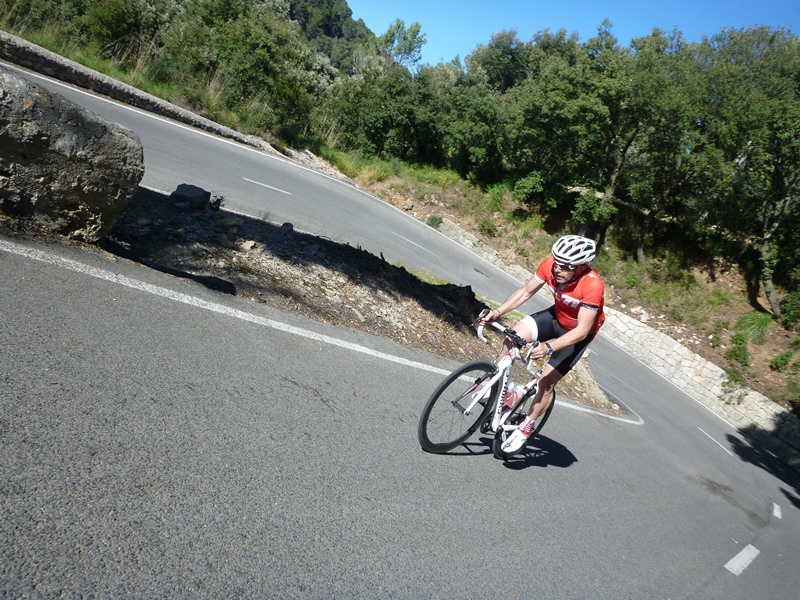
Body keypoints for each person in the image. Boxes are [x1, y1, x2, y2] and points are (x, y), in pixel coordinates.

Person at [479, 234, 605, 453]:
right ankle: (500, 389)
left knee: (546, 382)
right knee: (512, 337)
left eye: (566, 266)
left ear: (582, 267)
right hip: (555, 317)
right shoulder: (550, 266)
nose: (558, 269)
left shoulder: (593, 285)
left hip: (576, 333)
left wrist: (548, 347)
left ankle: (526, 426)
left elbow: (582, 330)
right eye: (557, 262)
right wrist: (497, 312)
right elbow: (525, 292)